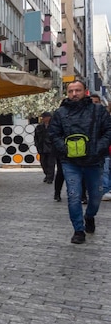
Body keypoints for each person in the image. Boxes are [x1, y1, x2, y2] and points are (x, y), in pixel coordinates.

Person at [48, 80, 111, 244]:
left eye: (78, 90)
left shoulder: (98, 111)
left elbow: (108, 130)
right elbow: (54, 134)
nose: (74, 94)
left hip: (94, 161)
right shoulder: (60, 113)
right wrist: (65, 149)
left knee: (96, 196)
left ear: (85, 91)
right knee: (74, 195)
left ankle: (89, 216)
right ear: (67, 93)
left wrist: (98, 147)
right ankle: (78, 230)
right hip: (70, 162)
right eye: (70, 91)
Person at [34, 111, 55, 184]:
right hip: (42, 148)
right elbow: (36, 137)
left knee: (50, 163)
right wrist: (37, 145)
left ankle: (50, 177)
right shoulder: (39, 127)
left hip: (51, 148)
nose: (43, 119)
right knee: (43, 163)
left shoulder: (54, 126)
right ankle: (47, 175)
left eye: (44, 117)